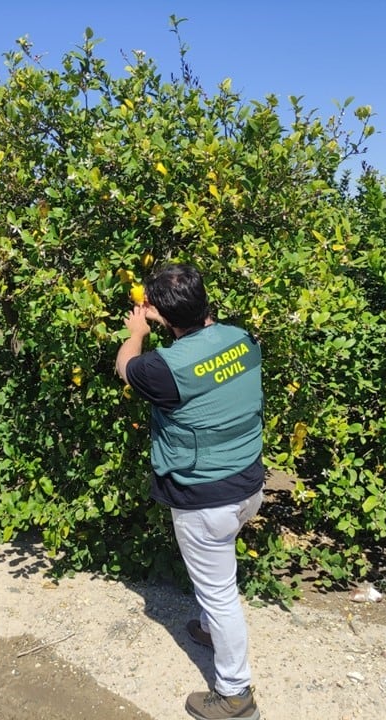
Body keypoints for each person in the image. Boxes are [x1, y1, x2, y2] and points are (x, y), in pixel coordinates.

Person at [115, 263, 264, 720]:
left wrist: (138, 330)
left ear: (160, 313)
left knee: (219, 591)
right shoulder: (244, 338)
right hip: (247, 481)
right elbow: (204, 359)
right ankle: (209, 628)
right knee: (219, 572)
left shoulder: (161, 368)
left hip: (205, 497)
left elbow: (125, 368)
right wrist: (168, 319)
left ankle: (236, 695)